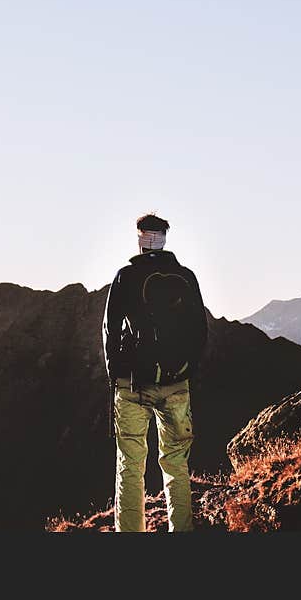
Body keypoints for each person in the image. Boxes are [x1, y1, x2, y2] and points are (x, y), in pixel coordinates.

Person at [102, 213, 208, 532]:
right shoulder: (186, 276)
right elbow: (200, 330)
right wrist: (187, 369)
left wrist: (114, 373)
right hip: (176, 384)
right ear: (164, 237)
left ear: (140, 237)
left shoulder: (126, 276)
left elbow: (109, 328)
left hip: (132, 384)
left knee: (130, 467)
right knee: (176, 464)